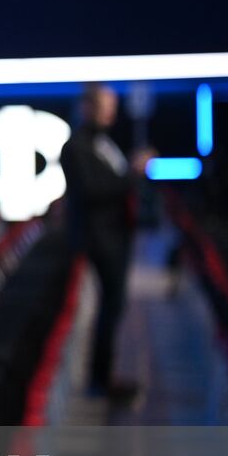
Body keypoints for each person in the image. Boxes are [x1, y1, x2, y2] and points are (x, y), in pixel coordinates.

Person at [58, 83, 151, 404]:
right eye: (105, 105)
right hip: (100, 239)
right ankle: (99, 380)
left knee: (114, 307)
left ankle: (104, 375)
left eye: (113, 105)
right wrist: (133, 174)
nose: (111, 111)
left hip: (116, 235)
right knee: (108, 308)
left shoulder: (104, 143)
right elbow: (92, 192)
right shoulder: (76, 147)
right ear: (87, 107)